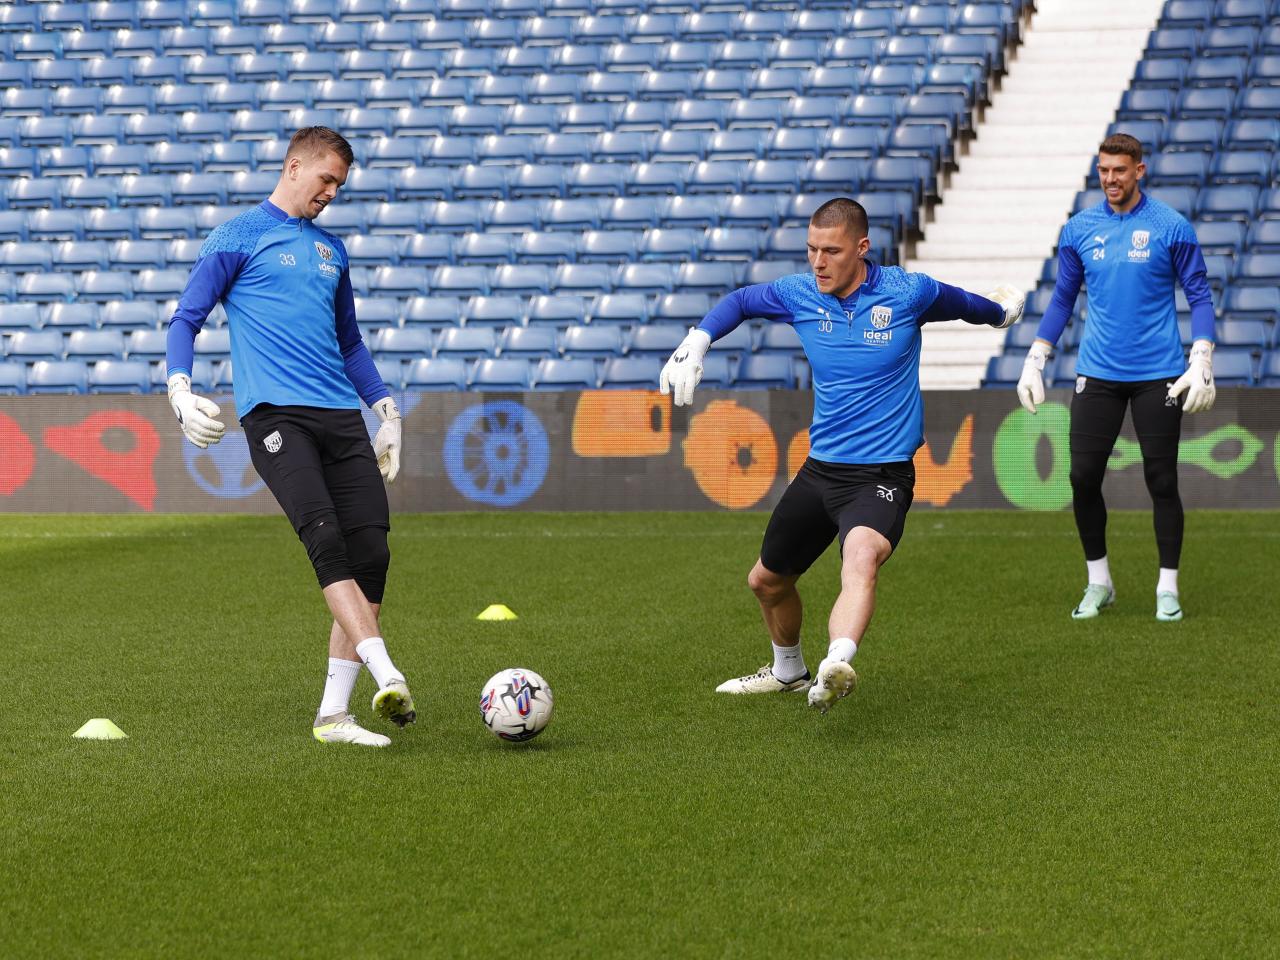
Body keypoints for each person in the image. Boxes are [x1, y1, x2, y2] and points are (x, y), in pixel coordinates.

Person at [659, 198, 1024, 713]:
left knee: (860, 558)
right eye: (811, 249)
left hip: (882, 473)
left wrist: (1000, 313)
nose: (818, 262)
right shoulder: (800, 293)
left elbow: (965, 303)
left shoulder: (906, 292)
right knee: (766, 581)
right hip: (822, 469)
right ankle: (788, 672)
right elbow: (741, 301)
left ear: (861, 247)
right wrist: (697, 341)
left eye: (830, 250)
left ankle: (837, 662)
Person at [165, 126, 414, 747]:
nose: (332, 192)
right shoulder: (239, 236)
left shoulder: (333, 252)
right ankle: (387, 672)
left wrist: (385, 409)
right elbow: (187, 318)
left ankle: (334, 716)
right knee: (324, 538)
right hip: (277, 417)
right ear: (293, 165)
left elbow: (349, 342)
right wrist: (179, 389)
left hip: (340, 418)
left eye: (340, 185)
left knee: (372, 555)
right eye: (326, 178)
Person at [1016, 133, 1216, 623]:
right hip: (1098, 373)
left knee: (1161, 479)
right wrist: (1037, 355)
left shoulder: (1172, 226)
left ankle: (1167, 588)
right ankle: (1098, 581)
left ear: (1139, 171)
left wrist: (1203, 355)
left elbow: (1201, 295)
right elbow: (1063, 298)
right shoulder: (1079, 229)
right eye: (1103, 170)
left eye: (1119, 171)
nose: (1110, 179)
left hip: (1161, 375)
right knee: (1082, 477)